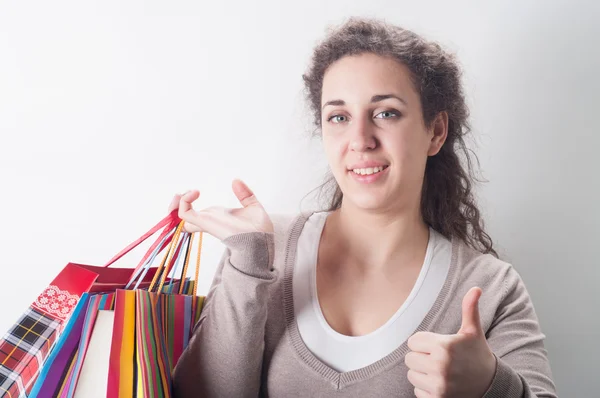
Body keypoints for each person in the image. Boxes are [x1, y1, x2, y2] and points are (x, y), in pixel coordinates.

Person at [171, 17, 557, 397]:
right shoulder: (263, 247)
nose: (360, 140)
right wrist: (248, 263)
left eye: (386, 113)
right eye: (339, 117)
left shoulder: (492, 288)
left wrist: (492, 387)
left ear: (435, 131)